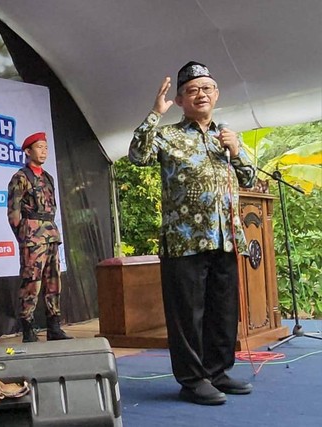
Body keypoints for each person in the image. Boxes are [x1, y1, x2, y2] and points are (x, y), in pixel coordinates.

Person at [128, 61, 257, 405]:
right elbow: (137, 155)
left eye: (206, 88)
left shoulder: (226, 136)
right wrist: (154, 114)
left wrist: (237, 150)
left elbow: (249, 179)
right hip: (184, 241)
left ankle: (218, 372)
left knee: (223, 311)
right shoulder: (168, 136)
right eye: (192, 90)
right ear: (181, 100)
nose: (200, 94)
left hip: (226, 238)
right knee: (187, 316)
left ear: (216, 95)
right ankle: (192, 380)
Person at [7, 132, 71, 342]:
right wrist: (25, 236)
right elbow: (13, 212)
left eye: (45, 147)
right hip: (33, 235)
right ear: (27, 151)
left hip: (51, 233)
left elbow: (52, 207)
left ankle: (54, 327)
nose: (44, 151)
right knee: (31, 283)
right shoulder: (21, 177)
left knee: (54, 282)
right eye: (39, 147)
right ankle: (28, 328)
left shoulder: (47, 177)